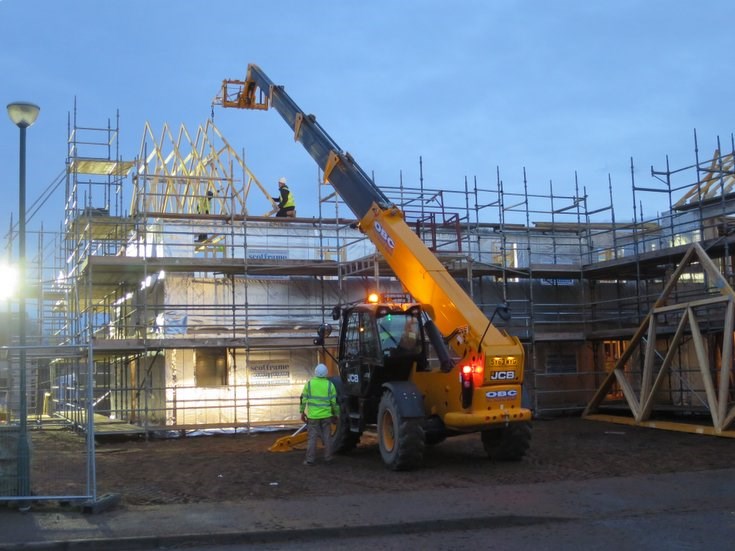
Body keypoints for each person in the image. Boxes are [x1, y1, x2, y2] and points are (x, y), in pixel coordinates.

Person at [299, 363, 339, 465]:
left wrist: (302, 412)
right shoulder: (330, 385)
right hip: (326, 416)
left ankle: (310, 460)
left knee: (312, 438)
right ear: (326, 373)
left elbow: (304, 400)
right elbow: (334, 403)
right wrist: (336, 414)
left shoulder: (309, 384)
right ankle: (328, 458)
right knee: (327, 437)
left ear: (315, 372)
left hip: (313, 417)